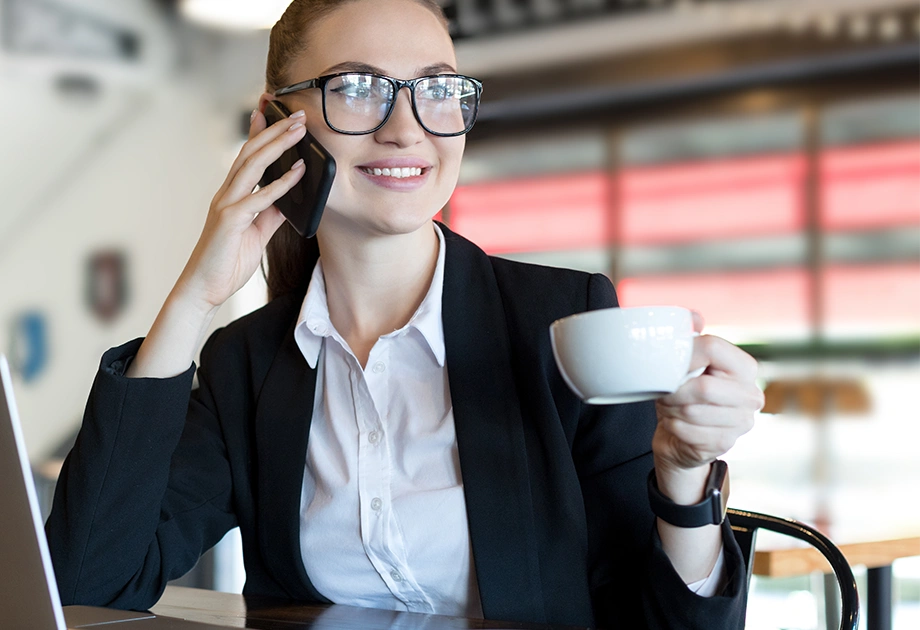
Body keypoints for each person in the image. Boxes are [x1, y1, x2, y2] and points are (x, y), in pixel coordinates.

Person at [45, 0, 763, 627]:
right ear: (274, 124)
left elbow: (663, 619)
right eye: (359, 88)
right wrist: (193, 299)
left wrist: (682, 477)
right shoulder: (246, 364)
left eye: (436, 89)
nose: (406, 127)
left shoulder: (562, 323)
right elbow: (89, 587)